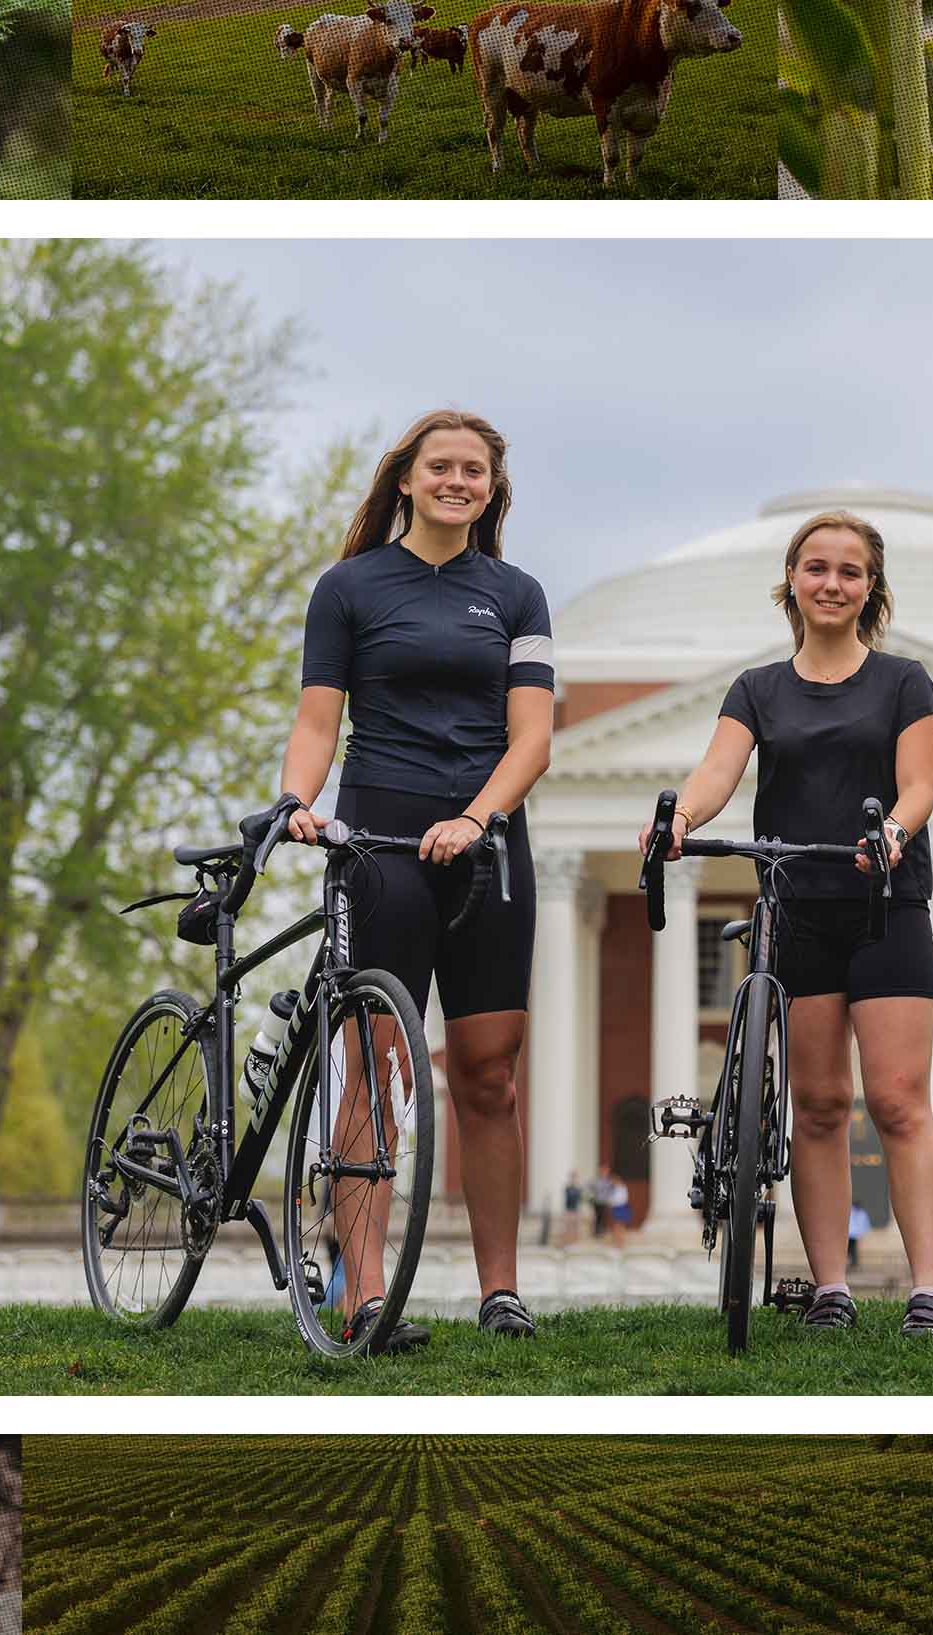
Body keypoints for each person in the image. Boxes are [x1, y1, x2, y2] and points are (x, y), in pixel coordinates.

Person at [643, 509, 933, 1338]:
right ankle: (830, 1289)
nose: (832, 583)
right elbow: (717, 771)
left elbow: (917, 786)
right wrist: (680, 817)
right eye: (817, 568)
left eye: (850, 572)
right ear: (792, 583)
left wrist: (892, 830)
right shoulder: (757, 689)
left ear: (870, 589)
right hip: (795, 908)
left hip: (884, 904)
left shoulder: (904, 682)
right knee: (818, 1103)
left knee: (898, 1098)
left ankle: (929, 1290)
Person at [280, 408, 554, 1348]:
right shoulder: (348, 588)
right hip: (382, 837)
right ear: (407, 479)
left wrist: (477, 818)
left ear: (491, 488)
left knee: (489, 1075)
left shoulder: (517, 595)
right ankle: (364, 1296)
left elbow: (533, 740)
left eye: (473, 470)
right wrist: (296, 801)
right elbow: (319, 723)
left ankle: (501, 1292)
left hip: (488, 844)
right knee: (373, 1062)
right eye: (440, 466)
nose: (456, 481)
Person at [561, 1170, 584, 1245]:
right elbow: (569, 1197)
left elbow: (580, 1199)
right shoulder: (567, 1188)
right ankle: (568, 1242)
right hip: (569, 1210)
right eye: (573, 1177)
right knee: (568, 1227)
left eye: (575, 1177)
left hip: (576, 1210)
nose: (574, 1179)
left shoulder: (579, 1188)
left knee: (576, 1227)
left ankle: (575, 1242)